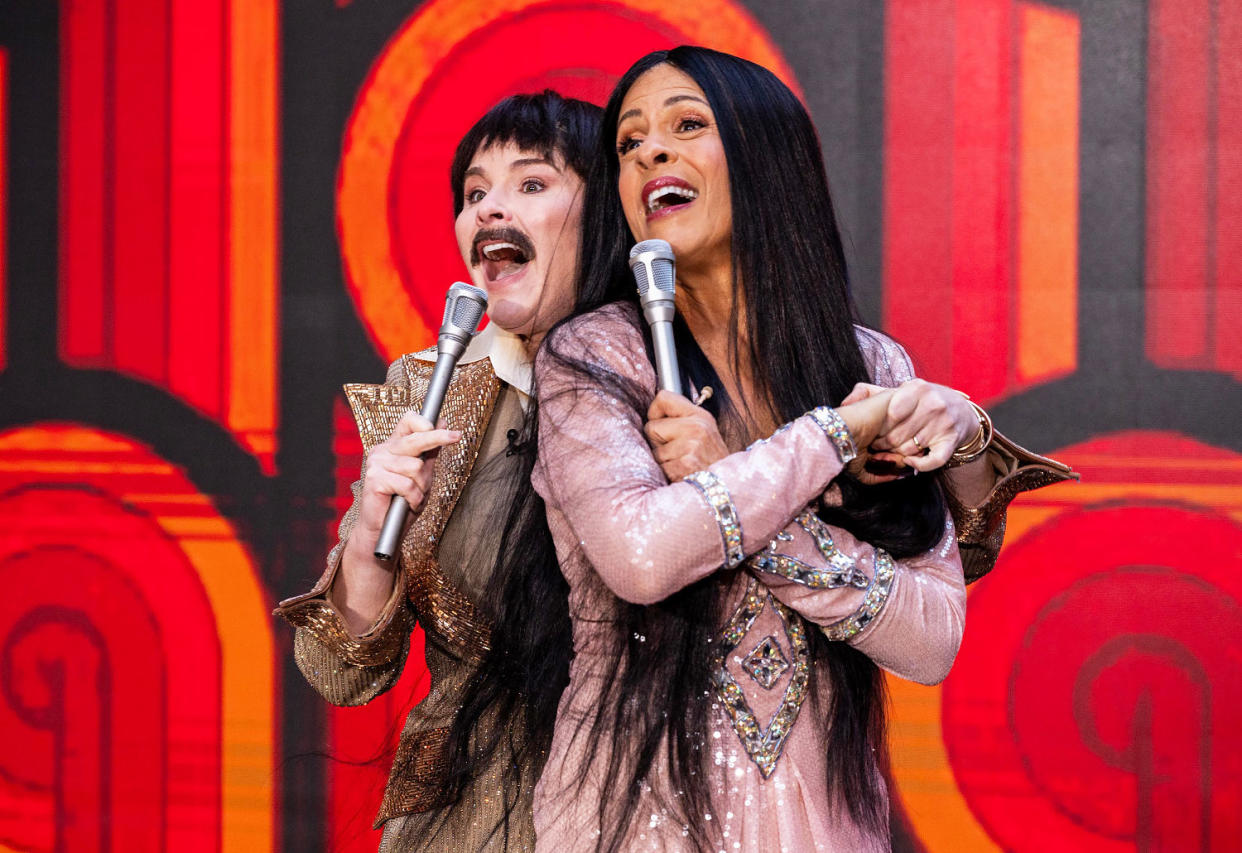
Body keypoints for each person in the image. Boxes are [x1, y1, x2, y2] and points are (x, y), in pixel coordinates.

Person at [471, 47, 1072, 852]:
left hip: (823, 821)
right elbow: (642, 556)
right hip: (630, 819)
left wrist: (735, 477)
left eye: (687, 125)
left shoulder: (869, 370)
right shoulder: (594, 357)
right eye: (630, 142)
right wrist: (832, 437)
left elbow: (931, 639)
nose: (650, 151)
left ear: (764, 156)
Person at [276, 90, 601, 852]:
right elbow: (340, 670)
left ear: (606, 217)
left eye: (530, 183)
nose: (490, 210)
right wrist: (368, 540)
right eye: (474, 193)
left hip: (631, 795)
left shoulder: (679, 376)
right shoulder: (428, 386)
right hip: (465, 814)